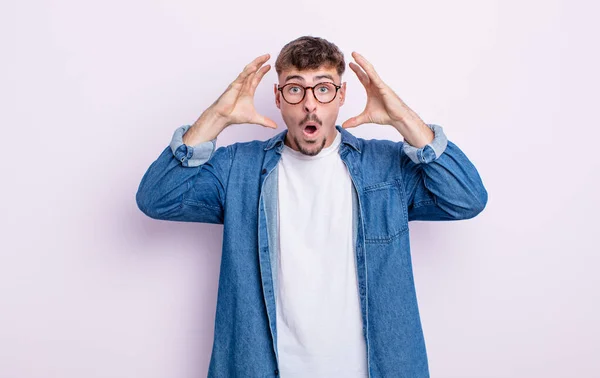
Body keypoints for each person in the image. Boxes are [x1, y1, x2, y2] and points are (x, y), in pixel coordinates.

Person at [136, 36, 488, 378]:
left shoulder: (386, 167)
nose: (310, 104)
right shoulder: (237, 169)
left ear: (341, 95)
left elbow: (467, 198)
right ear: (277, 97)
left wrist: (403, 119)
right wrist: (216, 117)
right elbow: (156, 198)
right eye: (295, 88)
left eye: (323, 88)